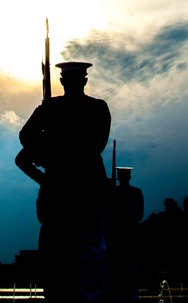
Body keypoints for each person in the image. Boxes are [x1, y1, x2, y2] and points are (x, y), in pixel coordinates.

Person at [18, 61, 111, 303]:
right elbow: (99, 144)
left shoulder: (51, 108)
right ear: (84, 81)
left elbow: (25, 136)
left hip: (62, 186)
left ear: (63, 81)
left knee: (57, 250)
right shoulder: (98, 108)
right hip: (86, 186)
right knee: (86, 250)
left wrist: (46, 158)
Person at [106, 167, 144, 303]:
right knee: (130, 278)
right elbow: (140, 215)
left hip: (118, 237)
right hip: (128, 236)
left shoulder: (113, 193)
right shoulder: (136, 192)